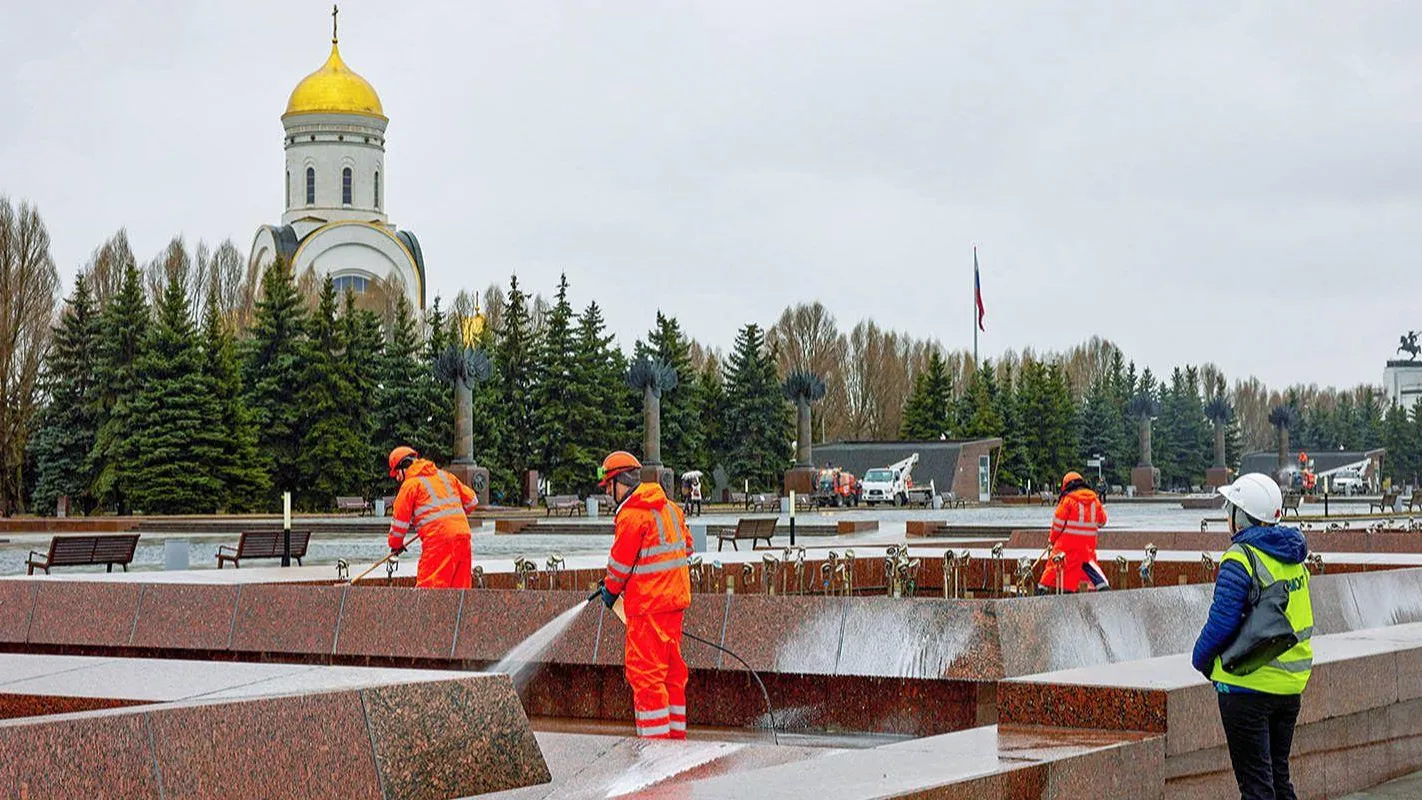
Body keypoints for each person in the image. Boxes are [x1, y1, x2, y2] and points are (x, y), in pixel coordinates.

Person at [1192, 473, 1312, 800]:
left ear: (1241, 517)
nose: (1226, 515)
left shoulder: (1241, 557)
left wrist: (1200, 660)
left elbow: (1221, 622)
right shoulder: (1294, 559)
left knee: (1257, 786)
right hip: (1290, 687)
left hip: (1248, 686)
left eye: (1230, 508)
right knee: (1278, 778)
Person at [596, 450, 693, 739]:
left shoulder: (631, 516)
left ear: (618, 483)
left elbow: (619, 565)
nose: (607, 495)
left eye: (607, 488)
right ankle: (675, 741)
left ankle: (655, 749)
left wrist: (611, 591)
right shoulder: (671, 509)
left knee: (647, 677)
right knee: (673, 675)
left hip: (647, 608)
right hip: (673, 604)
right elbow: (686, 548)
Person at [386, 446, 480, 589]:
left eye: (397, 473)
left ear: (404, 466)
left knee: (429, 592)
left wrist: (396, 545)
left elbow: (399, 524)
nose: (397, 478)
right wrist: (452, 518)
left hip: (438, 542)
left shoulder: (410, 485)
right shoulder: (445, 476)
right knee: (460, 592)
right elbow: (472, 501)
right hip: (463, 537)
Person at [1038, 471, 1110, 593]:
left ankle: (1042, 589)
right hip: (1088, 543)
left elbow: (1058, 524)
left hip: (1068, 543)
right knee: (1088, 565)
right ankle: (1103, 587)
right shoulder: (1094, 499)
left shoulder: (1068, 500)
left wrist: (1052, 540)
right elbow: (1102, 521)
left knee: (1054, 563)